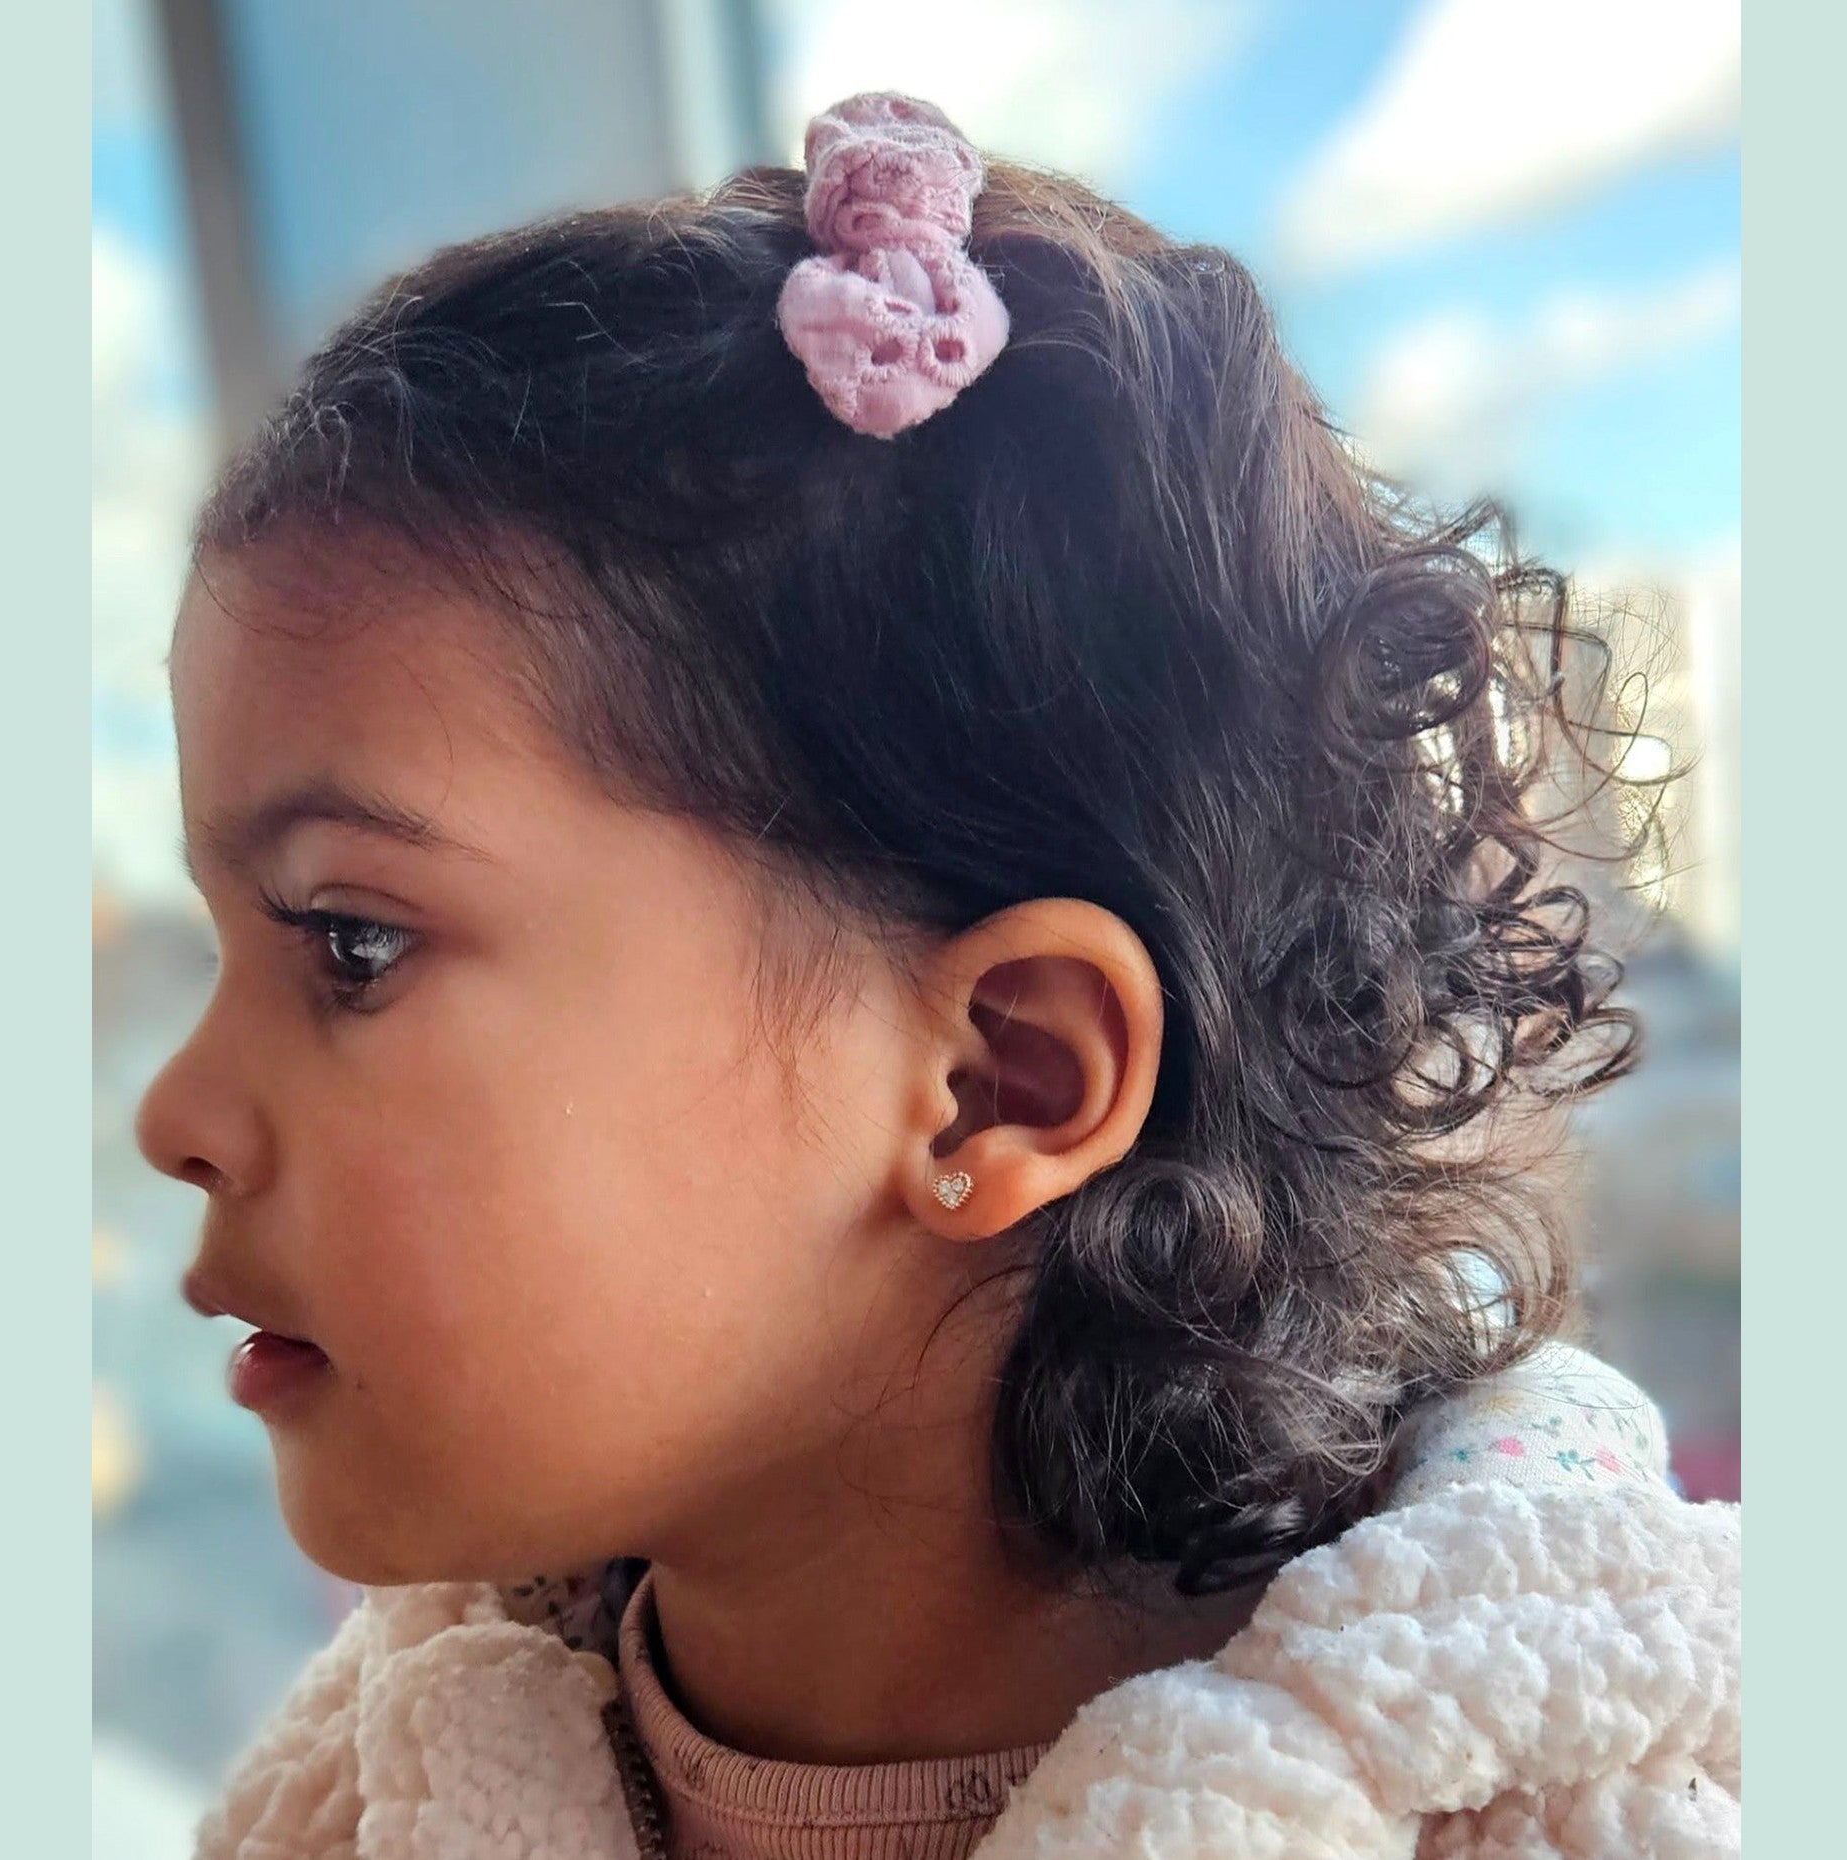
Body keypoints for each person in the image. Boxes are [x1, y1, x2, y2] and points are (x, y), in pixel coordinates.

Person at [134, 91, 1740, 1859]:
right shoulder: (355, 1790)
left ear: (1003, 1081)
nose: (176, 1114)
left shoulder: (1605, 1814)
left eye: (350, 945)